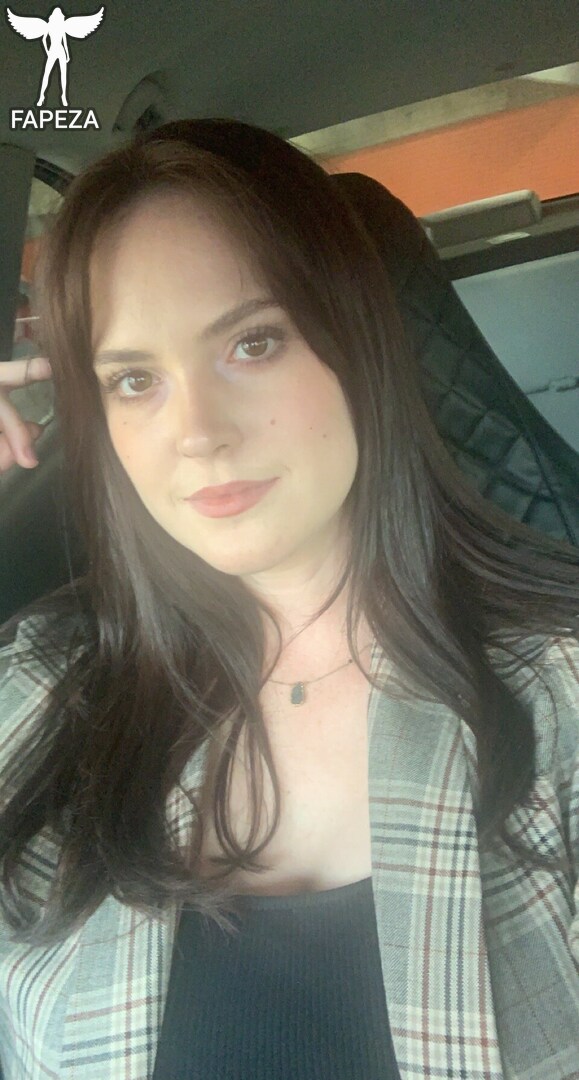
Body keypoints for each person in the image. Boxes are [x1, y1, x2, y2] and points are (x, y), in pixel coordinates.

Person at [0, 118, 577, 1080]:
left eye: (253, 342)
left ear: (355, 340)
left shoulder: (559, 689)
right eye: (134, 379)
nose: (198, 432)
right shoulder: (40, 690)